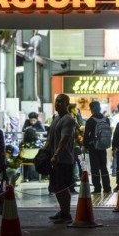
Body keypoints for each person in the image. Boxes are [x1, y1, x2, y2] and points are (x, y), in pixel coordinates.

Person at [45, 94, 76, 224]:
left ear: (67, 103)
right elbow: (50, 138)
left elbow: (64, 139)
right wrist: (43, 152)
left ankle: (67, 214)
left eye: (61, 102)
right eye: (56, 101)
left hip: (64, 159)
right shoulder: (56, 118)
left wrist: (56, 154)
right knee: (56, 187)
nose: (57, 104)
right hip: (54, 159)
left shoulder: (68, 119)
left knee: (63, 187)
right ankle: (62, 211)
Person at [82, 101, 111, 194]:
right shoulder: (106, 119)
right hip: (103, 146)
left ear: (91, 109)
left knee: (95, 168)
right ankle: (107, 188)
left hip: (93, 147)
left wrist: (85, 146)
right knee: (104, 167)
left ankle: (97, 188)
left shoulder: (90, 121)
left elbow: (86, 135)